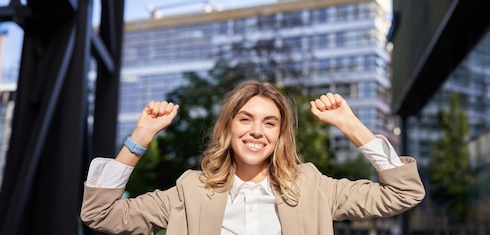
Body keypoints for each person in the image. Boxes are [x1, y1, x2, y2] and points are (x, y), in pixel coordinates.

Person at [81, 80, 425, 235]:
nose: (257, 131)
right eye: (245, 119)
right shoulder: (190, 190)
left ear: (279, 136)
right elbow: (100, 214)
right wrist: (140, 137)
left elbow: (404, 193)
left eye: (269, 122)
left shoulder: (312, 187)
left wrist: (351, 125)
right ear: (228, 128)